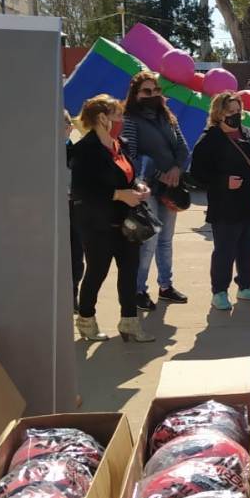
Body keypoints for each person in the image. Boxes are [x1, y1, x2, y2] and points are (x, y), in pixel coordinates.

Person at [71, 95, 154, 343]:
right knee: (97, 272)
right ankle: (86, 320)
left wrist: (139, 187)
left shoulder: (121, 144)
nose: (121, 120)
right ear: (101, 118)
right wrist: (118, 194)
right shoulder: (85, 149)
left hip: (127, 222)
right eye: (117, 115)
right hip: (98, 222)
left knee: (129, 272)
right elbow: (82, 190)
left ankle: (129, 322)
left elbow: (129, 176)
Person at [190, 92, 250, 310]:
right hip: (225, 206)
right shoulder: (209, 139)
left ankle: (245, 286)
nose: (236, 115)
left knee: (248, 247)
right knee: (225, 251)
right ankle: (219, 292)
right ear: (219, 113)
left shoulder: (244, 132)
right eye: (231, 112)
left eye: (238, 111)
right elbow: (197, 174)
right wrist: (223, 181)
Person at [122, 71, 190, 311]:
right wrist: (159, 173)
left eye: (156, 90)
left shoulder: (168, 117)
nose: (153, 95)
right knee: (148, 241)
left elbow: (183, 148)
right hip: (147, 189)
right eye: (147, 91)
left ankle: (166, 286)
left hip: (171, 188)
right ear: (136, 94)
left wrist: (177, 169)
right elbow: (130, 155)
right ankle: (138, 290)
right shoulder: (130, 119)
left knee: (166, 240)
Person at [64, 110, 84, 314]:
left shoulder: (79, 152)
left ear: (70, 128)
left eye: (64, 126)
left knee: (76, 254)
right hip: (51, 210)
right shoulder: (44, 152)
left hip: (74, 208)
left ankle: (72, 294)